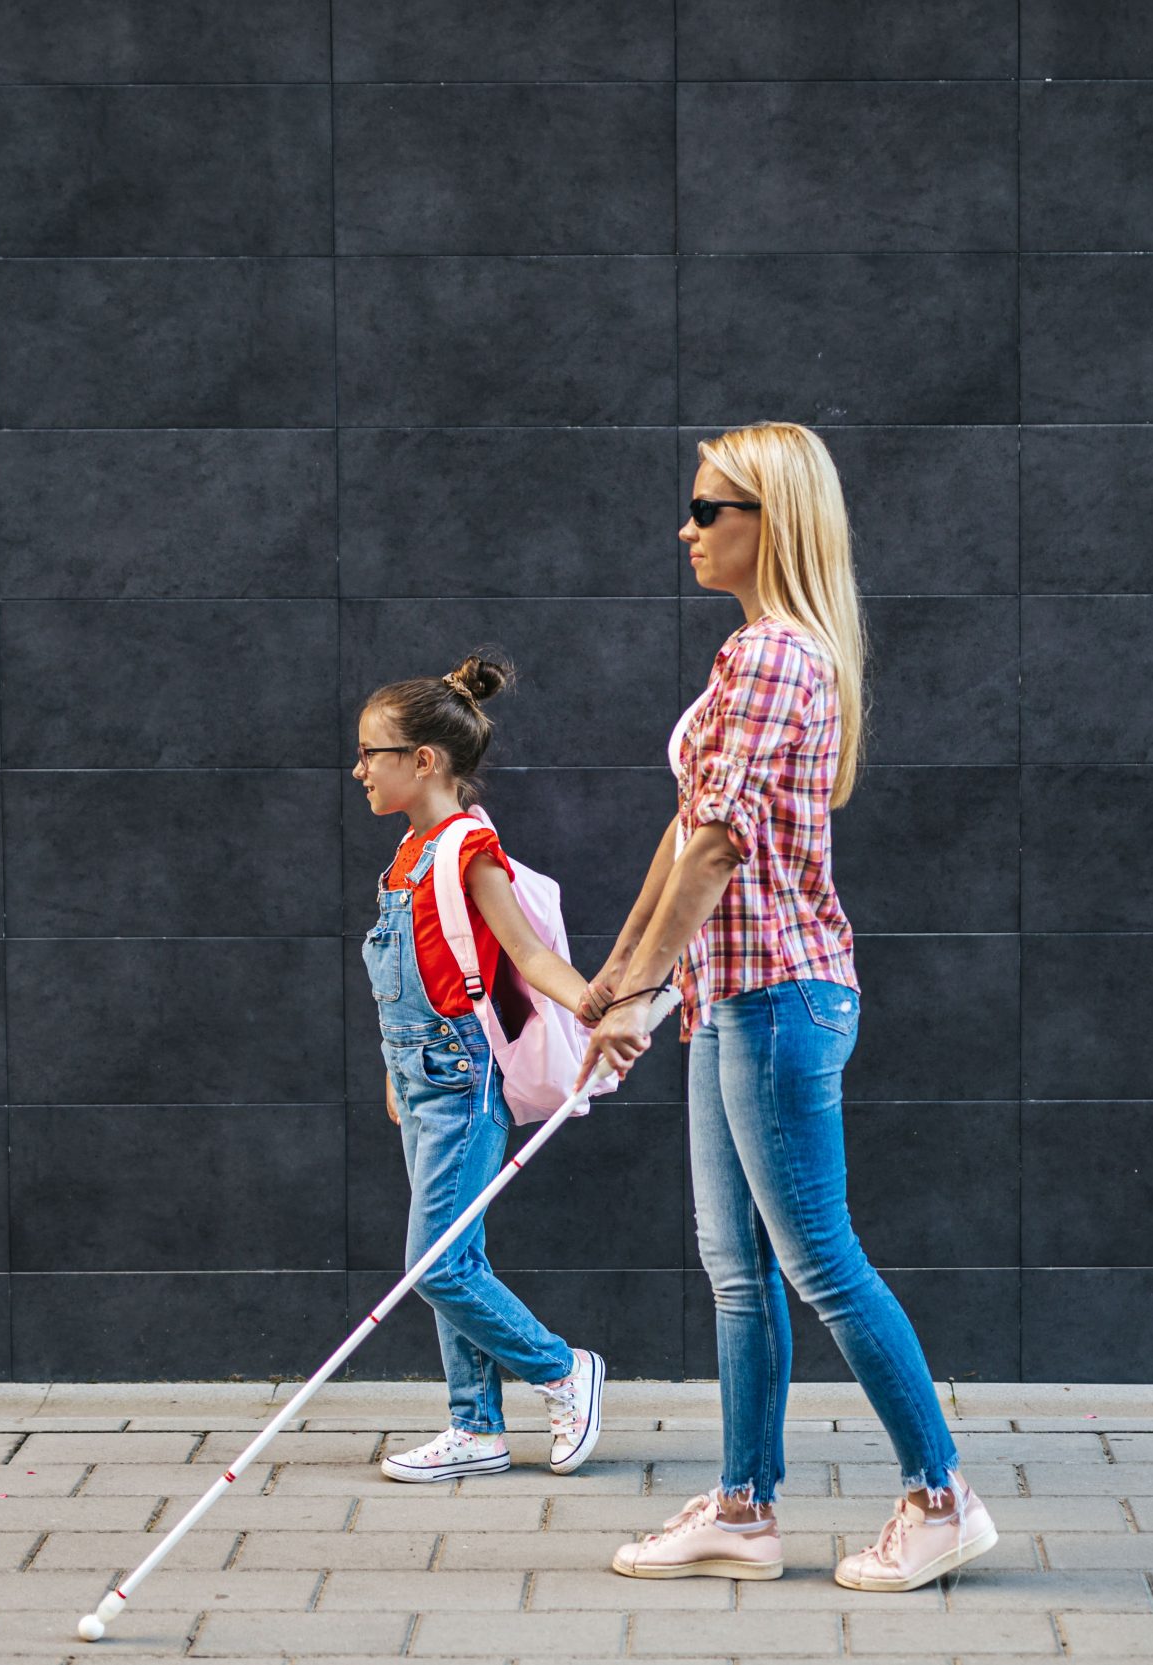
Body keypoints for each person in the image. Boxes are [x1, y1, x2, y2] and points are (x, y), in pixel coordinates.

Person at [580, 422, 999, 1590]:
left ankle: (940, 1497)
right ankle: (744, 1509)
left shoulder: (772, 658)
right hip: (732, 997)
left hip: (774, 997)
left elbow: (718, 844)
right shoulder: (755, 653)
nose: (688, 528)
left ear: (772, 522)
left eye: (710, 509)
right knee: (735, 1269)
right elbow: (685, 832)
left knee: (817, 1261)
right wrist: (625, 975)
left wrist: (647, 989)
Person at [354, 653, 605, 1482]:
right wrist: (395, 1068)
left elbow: (528, 952)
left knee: (437, 1261)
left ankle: (563, 1370)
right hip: (421, 1077)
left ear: (422, 760)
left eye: (370, 753)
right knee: (460, 1257)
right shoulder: (406, 856)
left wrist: (595, 1005)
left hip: (465, 1082)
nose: (359, 770)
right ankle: (475, 1425)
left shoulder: (468, 849)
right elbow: (409, 979)